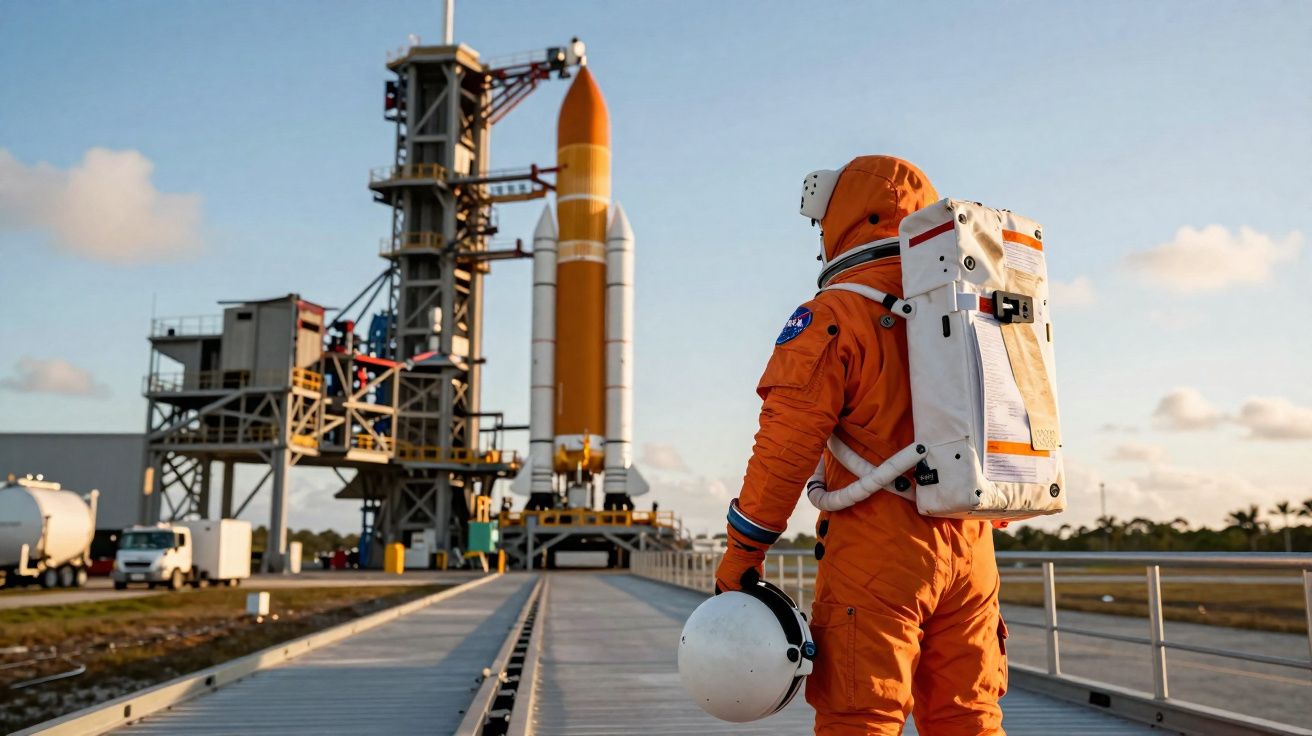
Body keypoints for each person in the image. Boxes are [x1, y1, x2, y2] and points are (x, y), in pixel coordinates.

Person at [714, 155, 1007, 735]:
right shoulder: (975, 308)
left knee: (860, 718)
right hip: (972, 547)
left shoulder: (836, 314)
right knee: (969, 718)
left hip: (879, 548)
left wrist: (741, 556)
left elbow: (785, 446)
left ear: (844, 220)